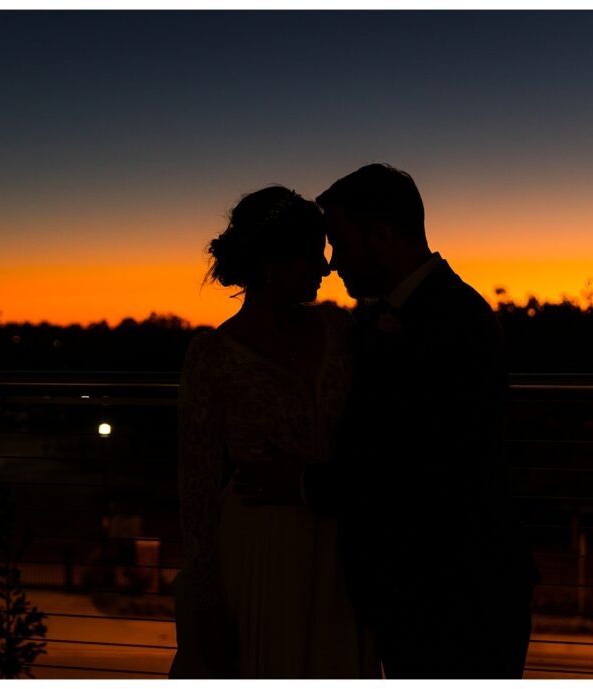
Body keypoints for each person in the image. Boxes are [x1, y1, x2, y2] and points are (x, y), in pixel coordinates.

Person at [235, 164, 540, 678]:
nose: (332, 262)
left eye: (340, 242)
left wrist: (303, 483)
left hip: (460, 595)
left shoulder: (454, 321)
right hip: (421, 594)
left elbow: (422, 467)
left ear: (381, 235)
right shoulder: (392, 316)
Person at [169, 185, 378, 678]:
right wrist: (207, 600)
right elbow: (196, 488)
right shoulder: (213, 356)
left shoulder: (339, 329)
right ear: (270, 263)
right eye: (311, 254)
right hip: (262, 550)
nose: (325, 267)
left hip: (341, 540)